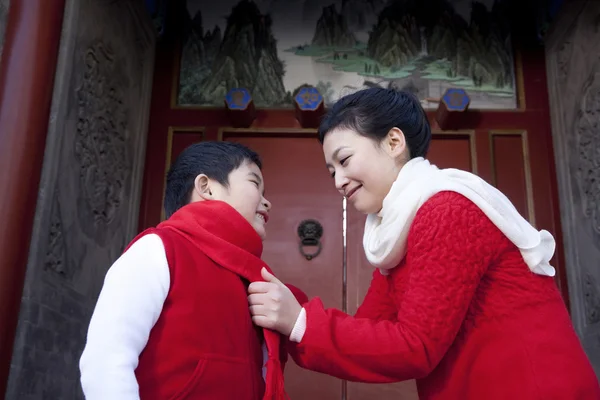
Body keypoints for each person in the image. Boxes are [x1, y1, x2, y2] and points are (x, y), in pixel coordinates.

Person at [247, 87, 600, 399]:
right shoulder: (397, 232)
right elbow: (370, 333)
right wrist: (292, 312)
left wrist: (299, 321)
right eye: (331, 171)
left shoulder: (446, 209)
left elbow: (415, 347)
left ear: (394, 142)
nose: (338, 180)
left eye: (344, 160)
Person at [80, 141, 303, 400]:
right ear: (206, 187)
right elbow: (106, 359)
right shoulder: (159, 248)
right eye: (255, 184)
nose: (267, 203)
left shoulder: (253, 278)